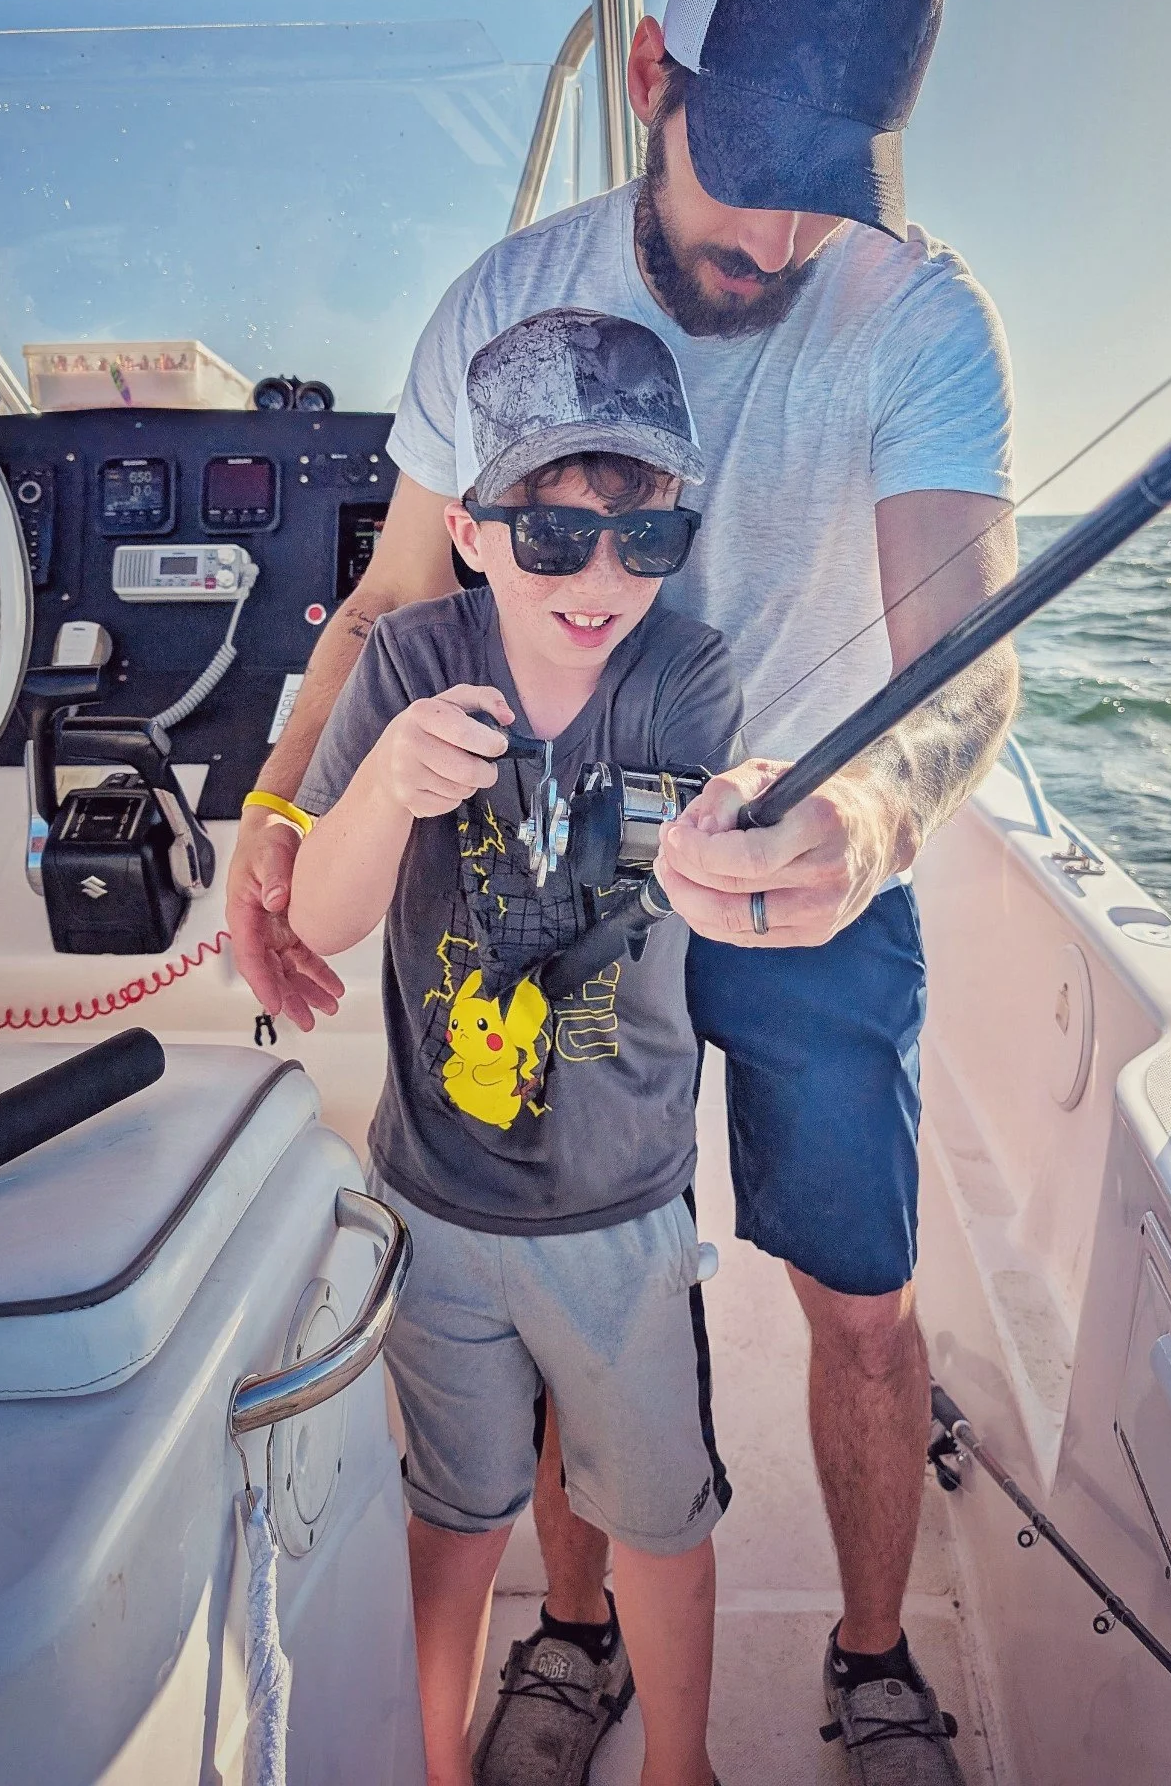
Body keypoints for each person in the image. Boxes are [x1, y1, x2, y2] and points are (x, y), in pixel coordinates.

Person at [230, 0, 1017, 1785]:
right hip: (555, 859)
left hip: (812, 862)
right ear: (654, 75)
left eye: (824, 189)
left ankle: (871, 1657)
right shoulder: (503, 302)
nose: (771, 239)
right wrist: (280, 800)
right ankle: (574, 1638)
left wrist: (875, 815)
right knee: (573, 1240)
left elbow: (973, 661)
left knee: (864, 1298)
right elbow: (389, 605)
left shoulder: (922, 321)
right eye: (741, 166)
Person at [286, 308, 740, 1786]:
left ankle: (680, 1766)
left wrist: (769, 826)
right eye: (551, 537)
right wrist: (382, 795)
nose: (599, 580)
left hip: (621, 1218)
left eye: (642, 537)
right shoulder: (411, 659)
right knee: (456, 1514)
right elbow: (333, 917)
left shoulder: (689, 675)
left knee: (662, 1525)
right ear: (474, 533)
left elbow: (715, 864)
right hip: (433, 1201)